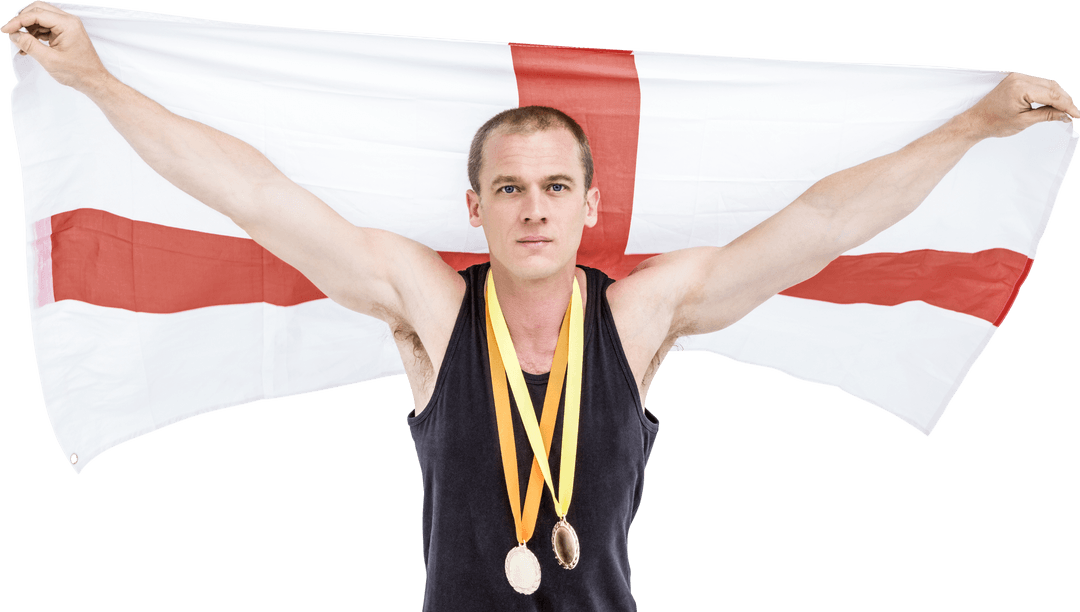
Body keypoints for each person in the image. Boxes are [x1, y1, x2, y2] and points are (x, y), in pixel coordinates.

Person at [5, 2, 1078, 610]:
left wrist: (974, 128)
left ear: (589, 206)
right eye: (509, 189)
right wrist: (96, 81)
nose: (532, 210)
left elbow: (822, 223)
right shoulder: (429, 303)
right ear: (474, 206)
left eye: (555, 188)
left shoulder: (640, 319)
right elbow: (250, 191)